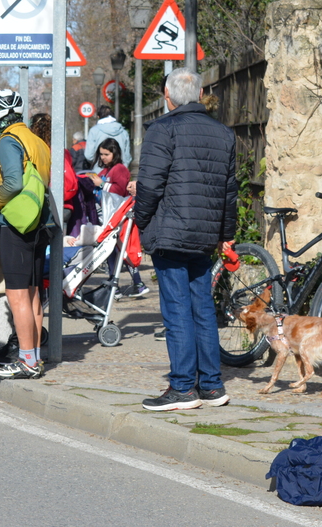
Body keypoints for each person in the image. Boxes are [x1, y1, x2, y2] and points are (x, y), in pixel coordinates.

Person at [133, 68, 237, 411]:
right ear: (201, 92)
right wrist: (226, 234)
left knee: (177, 310)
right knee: (203, 309)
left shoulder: (162, 129)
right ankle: (211, 385)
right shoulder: (223, 133)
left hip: (171, 231)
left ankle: (182, 387)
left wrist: (142, 220)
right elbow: (229, 191)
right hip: (205, 233)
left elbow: (149, 185)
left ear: (167, 96)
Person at [0, 89, 52, 380]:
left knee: (17, 294)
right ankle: (33, 357)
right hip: (40, 223)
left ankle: (26, 362)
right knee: (34, 293)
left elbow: (11, 183)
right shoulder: (36, 140)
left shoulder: (9, 141)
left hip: (16, 224)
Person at [88, 138, 148, 298]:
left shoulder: (119, 169)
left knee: (124, 251)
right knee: (113, 252)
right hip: (111, 218)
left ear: (114, 153)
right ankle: (118, 285)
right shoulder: (106, 171)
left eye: (106, 154)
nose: (102, 157)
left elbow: (120, 190)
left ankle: (137, 283)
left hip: (120, 217)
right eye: (101, 154)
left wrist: (101, 184)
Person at [85, 105, 131, 169]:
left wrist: (97, 162)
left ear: (99, 117)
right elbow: (127, 156)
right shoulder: (123, 132)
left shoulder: (94, 131)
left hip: (100, 171)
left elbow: (89, 155)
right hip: (120, 171)